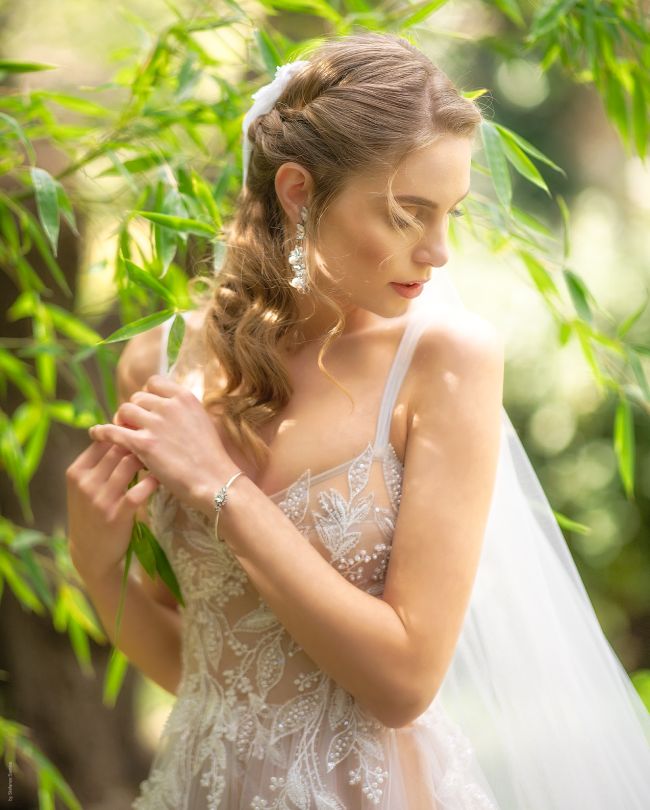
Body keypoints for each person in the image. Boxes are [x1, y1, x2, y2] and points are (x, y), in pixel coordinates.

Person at [65, 31, 650, 809]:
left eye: (450, 214)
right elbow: (198, 668)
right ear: (299, 190)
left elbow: (403, 684)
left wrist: (220, 487)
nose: (440, 251)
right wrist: (94, 560)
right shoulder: (159, 363)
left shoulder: (445, 363)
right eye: (409, 214)